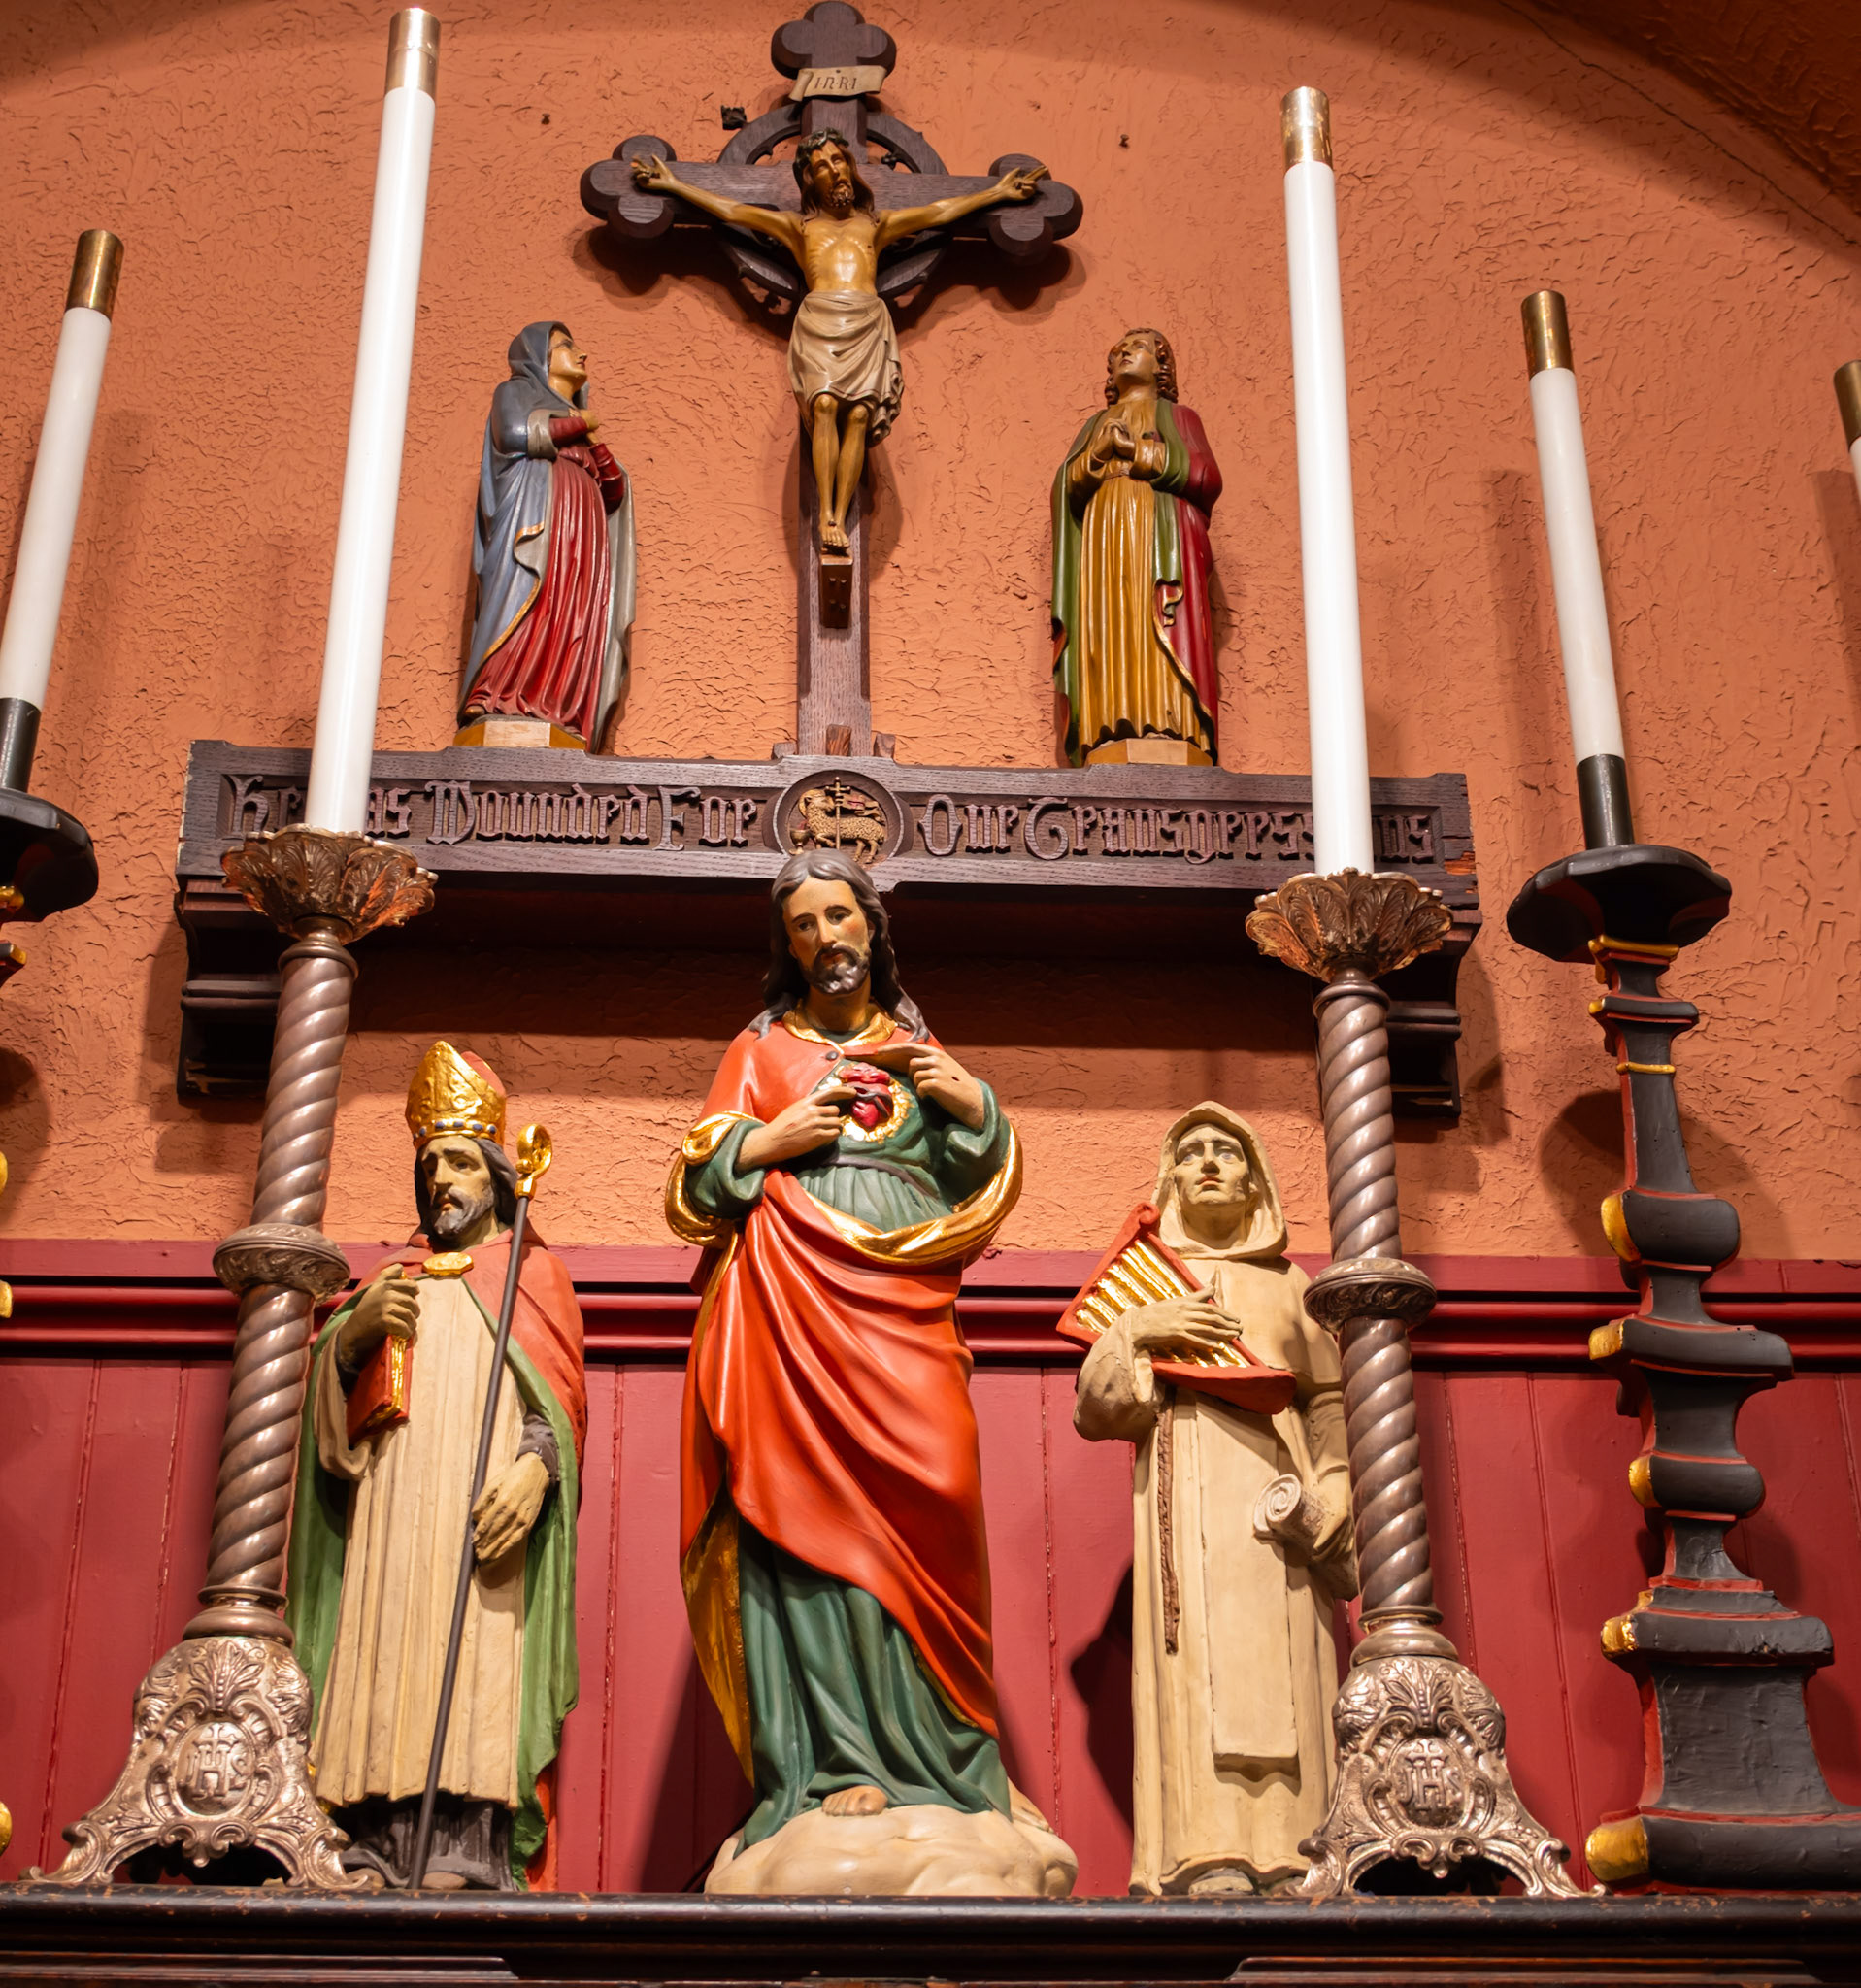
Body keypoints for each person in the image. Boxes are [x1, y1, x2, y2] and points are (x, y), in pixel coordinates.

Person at [664, 849, 1072, 1895]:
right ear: (786, 944)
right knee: (800, 1513)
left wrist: (974, 1102)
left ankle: (951, 1759)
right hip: (789, 1299)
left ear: (872, 926)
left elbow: (980, 1169)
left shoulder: (921, 1049)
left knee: (932, 1494)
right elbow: (691, 1181)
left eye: (838, 915)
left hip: (904, 1302)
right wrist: (767, 1139)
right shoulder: (759, 1049)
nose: (825, 938)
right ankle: (838, 1759)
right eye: (803, 925)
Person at [285, 1043, 585, 1890]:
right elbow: (327, 1428)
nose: (444, 1179)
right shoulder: (391, 1281)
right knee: (382, 1646)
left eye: (460, 1160)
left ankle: (464, 1844)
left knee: (478, 1655)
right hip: (389, 1509)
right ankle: (369, 1835)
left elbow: (556, 1405)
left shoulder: (536, 1277)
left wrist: (535, 1470)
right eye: (430, 1164)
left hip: (483, 1514)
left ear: (496, 1172)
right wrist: (348, 1333)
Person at [1073, 1104, 1356, 1896]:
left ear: (1253, 1177)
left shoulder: (1289, 1286)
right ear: (1170, 1179)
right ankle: (1206, 1853)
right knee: (1193, 1664)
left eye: (1225, 1152)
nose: (1207, 1163)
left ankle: (1300, 1851)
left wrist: (1334, 1486)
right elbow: (1099, 1411)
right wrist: (1137, 1331)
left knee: (1286, 1671)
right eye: (1191, 1152)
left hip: (1277, 1504)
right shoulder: (1149, 1285)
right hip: (1184, 1491)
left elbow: (1328, 1400)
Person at [634, 133, 1045, 554]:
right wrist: (673, 185)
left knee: (862, 415)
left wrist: (995, 192)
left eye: (839, 160)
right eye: (823, 166)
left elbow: (937, 213)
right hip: (821, 320)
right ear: (810, 181)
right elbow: (735, 211)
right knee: (825, 405)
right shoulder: (800, 228)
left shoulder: (874, 225)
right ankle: (826, 510)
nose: (836, 170)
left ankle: (838, 515)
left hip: (865, 319)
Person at [1051, 327, 1223, 765]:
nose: (1126, 354)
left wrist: (1140, 454)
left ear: (1161, 365)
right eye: (1118, 352)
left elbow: (1204, 474)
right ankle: (1108, 723)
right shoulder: (1093, 426)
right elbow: (1066, 487)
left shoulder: (1179, 417)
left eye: (1139, 348)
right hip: (1103, 535)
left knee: (1153, 617)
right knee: (1111, 618)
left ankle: (1171, 722)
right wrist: (1095, 456)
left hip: (1156, 530)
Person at [459, 321, 635, 748]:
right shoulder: (515, 390)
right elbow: (518, 435)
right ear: (539, 356)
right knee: (530, 593)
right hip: (537, 512)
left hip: (583, 523)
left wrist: (589, 433)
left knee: (573, 609)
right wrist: (578, 422)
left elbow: (612, 487)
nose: (581, 354)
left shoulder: (578, 420)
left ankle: (560, 703)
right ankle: (501, 693)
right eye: (565, 345)